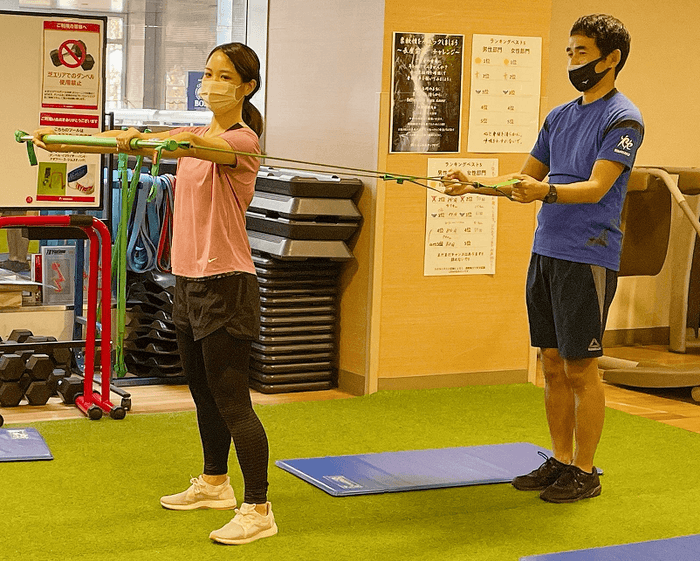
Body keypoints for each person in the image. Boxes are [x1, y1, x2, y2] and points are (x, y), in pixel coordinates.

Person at [35, 42, 277, 544]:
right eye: (208, 73)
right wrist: (62, 141)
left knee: (233, 401)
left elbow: (189, 149)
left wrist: (154, 141)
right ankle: (215, 483)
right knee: (202, 392)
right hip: (188, 281)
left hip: (226, 282)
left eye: (224, 76)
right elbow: (130, 143)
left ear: (247, 87)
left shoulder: (242, 140)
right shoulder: (195, 134)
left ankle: (259, 509)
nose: (211, 83)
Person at [443, 14, 643, 503]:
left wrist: (544, 192)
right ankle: (559, 459)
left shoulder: (624, 118)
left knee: (580, 367)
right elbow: (524, 179)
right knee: (551, 363)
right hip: (546, 251)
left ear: (611, 59)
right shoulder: (558, 117)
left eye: (582, 52)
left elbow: (596, 187)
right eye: (570, 52)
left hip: (588, 255)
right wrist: (474, 186)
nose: (573, 62)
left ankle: (585, 471)